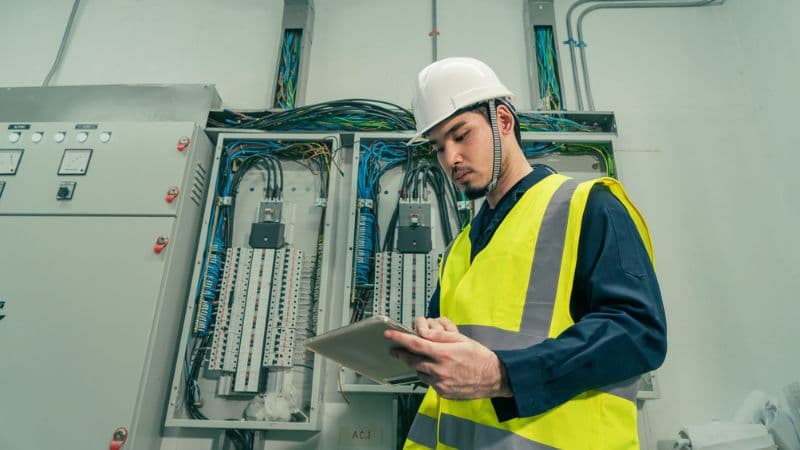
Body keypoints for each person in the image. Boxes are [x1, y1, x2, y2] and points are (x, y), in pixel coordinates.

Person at [384, 57, 667, 449]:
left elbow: (638, 334)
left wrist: (502, 374)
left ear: (503, 120)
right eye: (438, 148)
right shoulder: (460, 248)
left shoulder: (588, 205)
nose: (450, 159)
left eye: (461, 135)